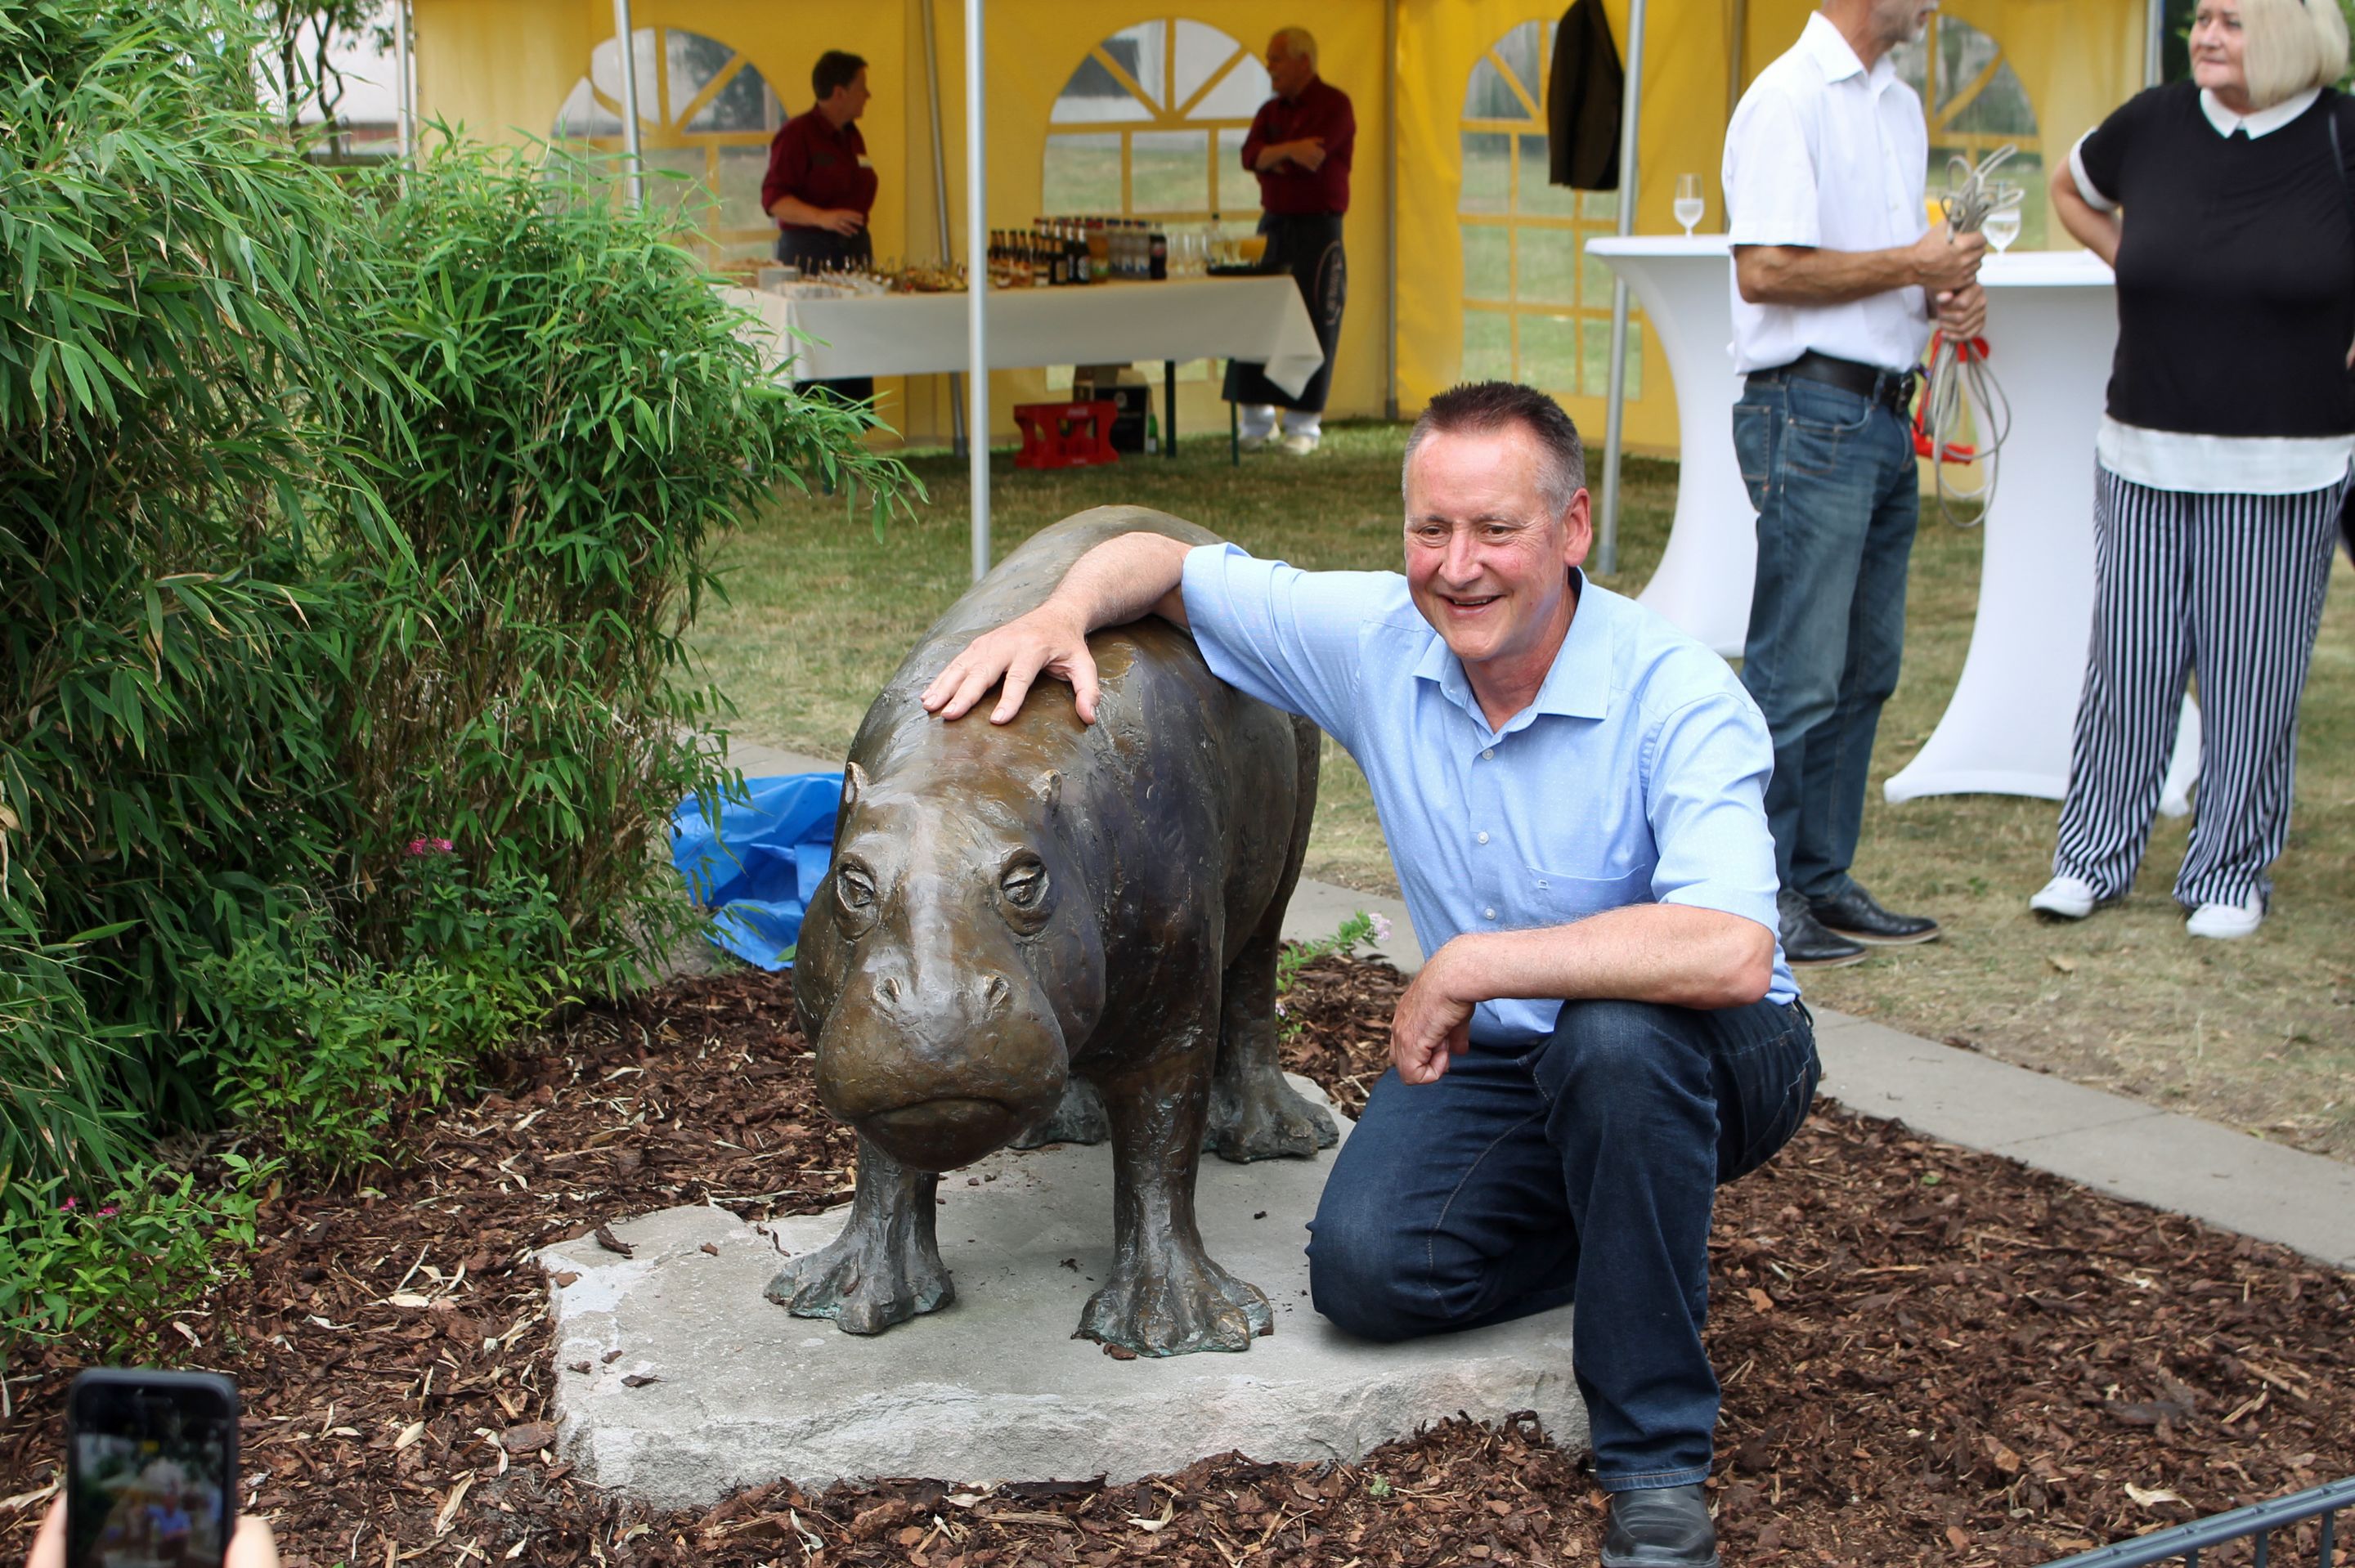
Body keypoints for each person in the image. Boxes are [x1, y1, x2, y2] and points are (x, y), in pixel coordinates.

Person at [924, 382, 1818, 1568]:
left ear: (1573, 527)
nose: (1458, 566)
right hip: (1513, 1054)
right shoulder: (1378, 639)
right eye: (1429, 529)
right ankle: (1630, 1222)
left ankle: (1654, 1461)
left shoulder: (1678, 692)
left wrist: (1474, 963)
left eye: (1496, 530)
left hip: (1712, 1049)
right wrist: (1060, 615)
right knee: (1370, 1274)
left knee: (1616, 1040)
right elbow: (1162, 561)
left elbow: (1731, 949)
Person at [2033, 0, 2353, 939]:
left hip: (2285, 462)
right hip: (2142, 448)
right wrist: (2134, 257)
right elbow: (2069, 186)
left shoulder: (2341, 134)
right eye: (2202, 17)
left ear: (2290, 33)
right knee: (2126, 665)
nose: (2205, 35)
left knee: (2251, 676)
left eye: (2231, 21)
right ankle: (2091, 856)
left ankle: (2229, 869)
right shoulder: (2155, 119)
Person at [1721, 0, 1989, 967]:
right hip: (1810, 406)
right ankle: (1754, 895)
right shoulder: (1785, 98)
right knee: (1795, 673)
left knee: (1866, 665)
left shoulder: (1897, 103)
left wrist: (1939, 292)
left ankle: (1820, 876)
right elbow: (1766, 269)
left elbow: (1874, 268)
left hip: (1878, 406)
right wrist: (1913, 261)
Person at [1225, 27, 1353, 457]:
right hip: (1273, 226)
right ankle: (1256, 421)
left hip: (1319, 230)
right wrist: (1288, 151)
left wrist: (1275, 156)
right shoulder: (1269, 110)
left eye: (1276, 58)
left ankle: (1303, 424)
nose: (1269, 67)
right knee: (1256, 314)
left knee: (1316, 318)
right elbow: (1250, 156)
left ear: (1304, 61)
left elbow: (1310, 162)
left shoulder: (1335, 105)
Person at [760, 49, 878, 407]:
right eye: (862, 87)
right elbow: (773, 199)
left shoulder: (853, 137)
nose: (868, 95)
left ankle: (853, 428)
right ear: (840, 92)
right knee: (811, 349)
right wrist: (822, 217)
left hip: (853, 256)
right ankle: (806, 427)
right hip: (810, 255)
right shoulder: (797, 134)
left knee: (854, 346)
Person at [25, 1494, 277, 1568]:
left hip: (174, 1547)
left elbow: (186, 1531)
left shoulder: (179, 1516)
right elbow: (143, 1513)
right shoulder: (154, 1513)